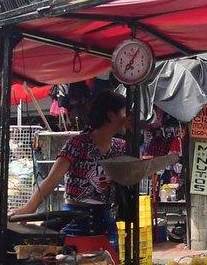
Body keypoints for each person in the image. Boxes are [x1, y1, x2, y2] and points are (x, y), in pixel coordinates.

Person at [9, 90, 128, 239]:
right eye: (125, 113)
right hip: (76, 219)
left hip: (106, 220)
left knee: (110, 261)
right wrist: (28, 208)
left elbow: (134, 174)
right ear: (111, 115)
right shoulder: (78, 143)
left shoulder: (122, 147)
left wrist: (134, 130)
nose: (128, 118)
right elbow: (52, 180)